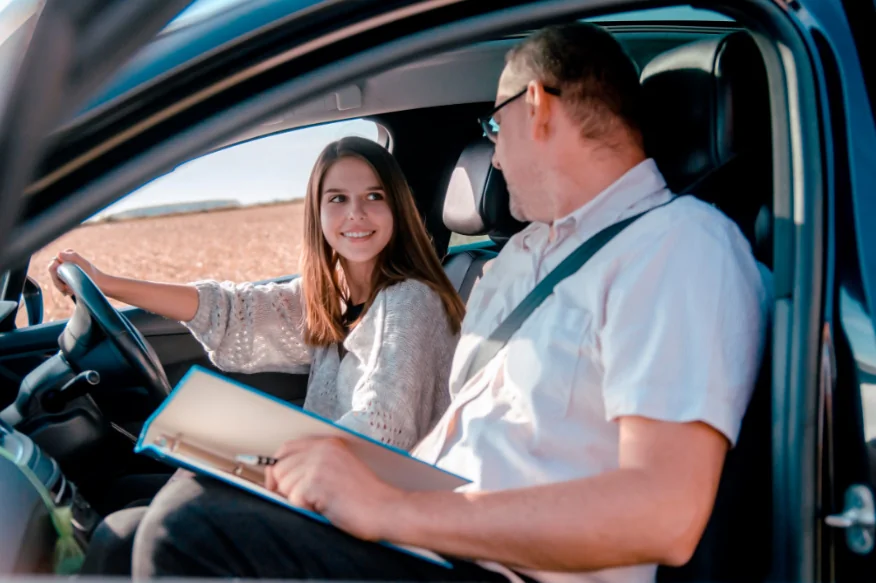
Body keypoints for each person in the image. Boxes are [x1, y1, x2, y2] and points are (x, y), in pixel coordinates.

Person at [130, 22, 772, 583]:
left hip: (500, 567)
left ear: (537, 108)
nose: (495, 153)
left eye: (494, 127)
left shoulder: (680, 245)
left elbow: (663, 514)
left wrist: (389, 509)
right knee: (169, 502)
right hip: (433, 538)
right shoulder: (519, 261)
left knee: (186, 528)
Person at [49, 136, 466, 574]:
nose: (356, 213)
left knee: (131, 533)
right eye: (338, 198)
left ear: (397, 206)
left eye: (374, 197)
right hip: (326, 488)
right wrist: (107, 283)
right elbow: (232, 311)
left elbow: (381, 429)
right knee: (126, 516)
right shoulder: (333, 296)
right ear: (318, 212)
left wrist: (258, 457)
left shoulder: (411, 301)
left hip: (375, 516)